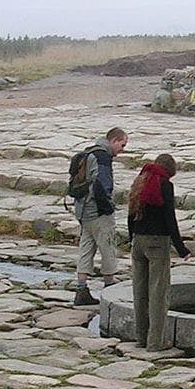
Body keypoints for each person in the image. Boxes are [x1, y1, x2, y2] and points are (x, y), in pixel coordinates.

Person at [127, 153, 191, 350]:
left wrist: (132, 238)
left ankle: (140, 337)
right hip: (157, 242)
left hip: (138, 240)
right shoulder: (164, 184)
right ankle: (156, 342)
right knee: (158, 292)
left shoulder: (140, 179)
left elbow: (131, 212)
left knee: (140, 291)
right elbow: (169, 218)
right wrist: (181, 249)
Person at [73, 127, 128, 307]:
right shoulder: (102, 157)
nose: (122, 149)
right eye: (122, 144)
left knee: (86, 249)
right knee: (108, 247)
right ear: (113, 140)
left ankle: (81, 290)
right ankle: (109, 288)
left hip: (83, 211)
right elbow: (102, 185)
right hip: (98, 212)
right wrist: (108, 208)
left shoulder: (87, 152)